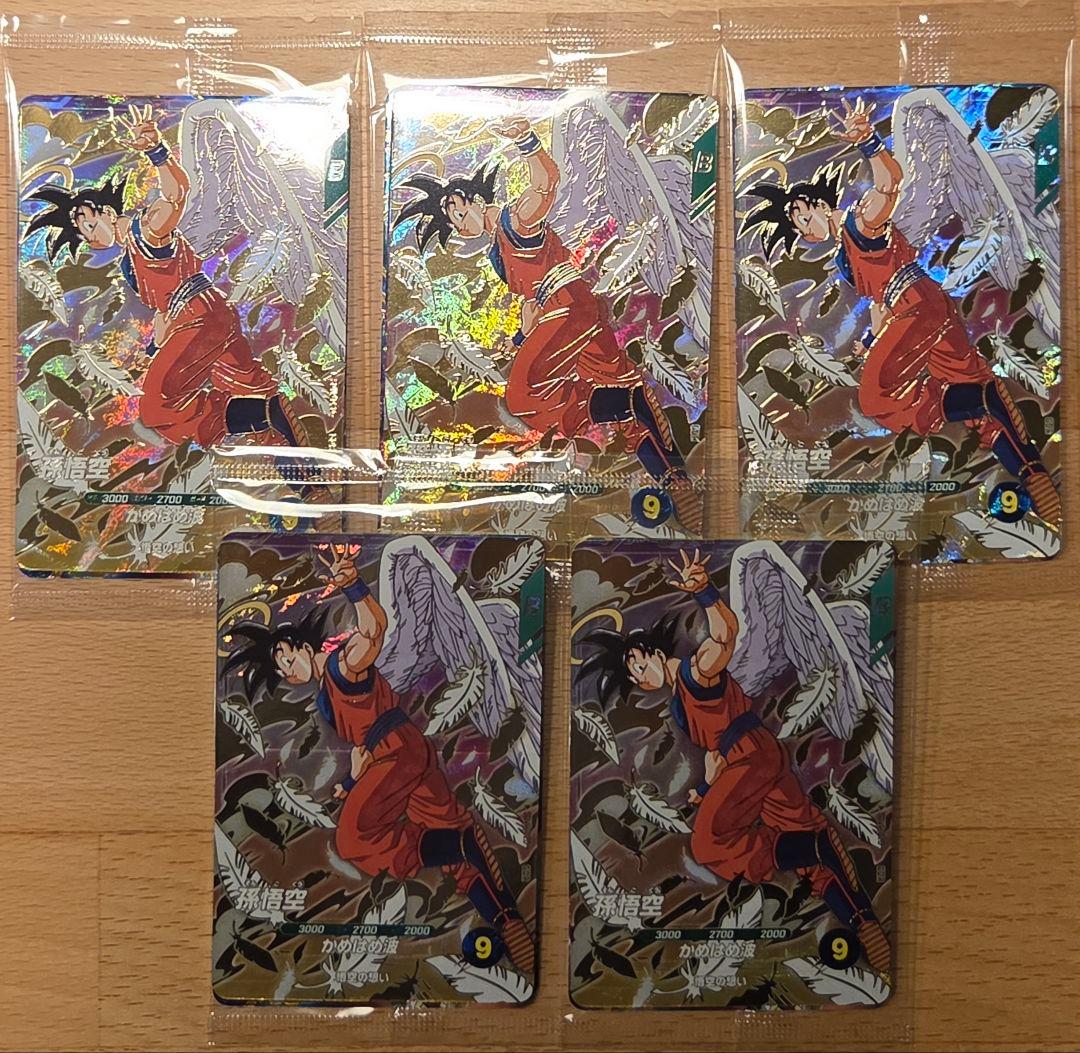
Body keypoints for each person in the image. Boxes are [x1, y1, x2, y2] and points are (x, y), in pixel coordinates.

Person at [741, 96, 1060, 525]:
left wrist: (869, 141)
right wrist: (871, 340)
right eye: (798, 230)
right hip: (921, 310)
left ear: (819, 205)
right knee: (978, 419)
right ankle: (1033, 474)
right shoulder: (845, 252)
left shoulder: (859, 221)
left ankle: (983, 398)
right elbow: (879, 301)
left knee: (877, 396)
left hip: (919, 309)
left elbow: (890, 184)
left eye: (802, 218)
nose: (805, 231)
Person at [222, 542, 535, 973]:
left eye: (286, 656)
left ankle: (460, 845)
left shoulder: (342, 665)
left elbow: (373, 630)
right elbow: (362, 743)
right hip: (404, 754)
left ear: (302, 645)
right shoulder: (327, 691)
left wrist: (354, 586)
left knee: (354, 839)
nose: (287, 670)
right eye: (280, 670)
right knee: (455, 857)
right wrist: (353, 781)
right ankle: (507, 920)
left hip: (398, 755)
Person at [582, 548, 890, 976]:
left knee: (708, 843)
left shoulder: (695, 673)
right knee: (810, 864)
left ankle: (816, 848)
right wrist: (705, 788)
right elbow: (714, 754)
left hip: (752, 758)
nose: (639, 677)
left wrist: (705, 591)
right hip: (750, 760)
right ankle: (865, 923)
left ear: (653, 652)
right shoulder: (679, 701)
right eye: (632, 676)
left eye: (637, 664)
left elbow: (725, 636)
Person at [394, 115, 702, 532]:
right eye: (453, 224)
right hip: (571, 311)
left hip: (568, 309)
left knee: (524, 397)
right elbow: (529, 302)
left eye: (458, 213)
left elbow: (545, 184)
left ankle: (625, 410)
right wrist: (521, 336)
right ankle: (675, 481)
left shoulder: (514, 220)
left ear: (472, 199)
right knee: (625, 393)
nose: (459, 226)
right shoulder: (498, 249)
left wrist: (525, 139)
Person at [24, 104, 307, 450]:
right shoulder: (131, 256)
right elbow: (162, 309)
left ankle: (262, 416)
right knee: (251, 385)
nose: (91, 236)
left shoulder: (146, 230)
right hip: (209, 316)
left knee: (158, 407)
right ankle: (303, 469)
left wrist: (157, 152)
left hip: (199, 321)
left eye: (90, 223)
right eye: (84, 235)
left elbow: (175, 196)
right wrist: (156, 345)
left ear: (108, 212)